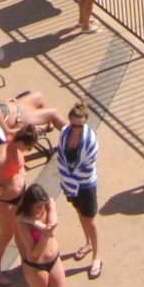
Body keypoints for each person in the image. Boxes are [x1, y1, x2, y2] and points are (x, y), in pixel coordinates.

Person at [0, 125, 37, 287]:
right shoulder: (2, 157)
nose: (28, 150)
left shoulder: (15, 140)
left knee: (22, 229)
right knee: (6, 235)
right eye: (28, 147)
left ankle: (24, 260)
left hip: (20, 196)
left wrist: (20, 171)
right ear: (21, 143)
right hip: (6, 202)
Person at [13, 184, 67, 287]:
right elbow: (34, 252)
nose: (42, 208)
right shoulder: (22, 223)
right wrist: (44, 234)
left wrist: (37, 222)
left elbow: (53, 222)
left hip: (54, 260)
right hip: (36, 266)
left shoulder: (48, 203)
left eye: (43, 205)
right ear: (29, 205)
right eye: (37, 207)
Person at [54, 104, 102, 277]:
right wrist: (67, 177)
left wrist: (71, 177)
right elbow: (60, 155)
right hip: (71, 182)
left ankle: (97, 256)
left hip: (85, 183)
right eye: (74, 124)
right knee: (80, 212)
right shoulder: (65, 132)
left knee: (90, 218)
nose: (76, 128)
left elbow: (87, 164)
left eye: (80, 125)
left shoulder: (90, 139)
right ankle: (88, 243)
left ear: (85, 123)